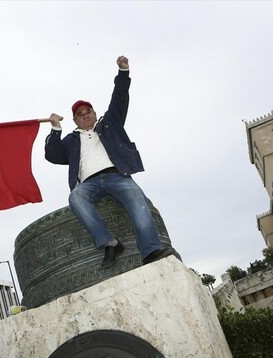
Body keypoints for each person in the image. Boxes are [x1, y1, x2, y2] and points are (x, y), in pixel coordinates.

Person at [45, 55, 179, 269]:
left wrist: (123, 73)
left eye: (88, 111)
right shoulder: (71, 141)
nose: (85, 115)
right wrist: (55, 128)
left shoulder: (109, 124)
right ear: (75, 120)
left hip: (117, 175)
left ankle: (151, 250)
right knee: (75, 196)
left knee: (137, 197)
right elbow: (52, 154)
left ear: (94, 113)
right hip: (88, 184)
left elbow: (119, 98)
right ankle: (109, 243)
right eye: (80, 114)